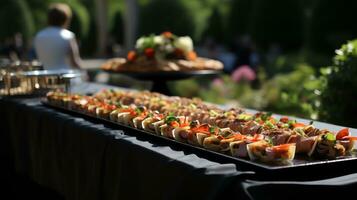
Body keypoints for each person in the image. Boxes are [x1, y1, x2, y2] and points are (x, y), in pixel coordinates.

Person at [34, 3, 82, 70]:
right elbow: (74, 62)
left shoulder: (39, 35)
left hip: (45, 76)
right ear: (65, 19)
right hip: (64, 76)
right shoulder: (68, 36)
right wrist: (85, 73)